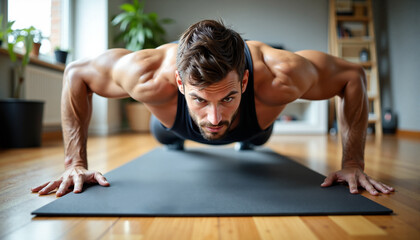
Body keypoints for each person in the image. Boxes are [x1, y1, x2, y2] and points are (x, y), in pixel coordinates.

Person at [32, 20, 394, 197]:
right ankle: (180, 131)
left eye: (229, 98)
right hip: (173, 127)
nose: (215, 117)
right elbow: (76, 73)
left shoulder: (282, 74)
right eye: (200, 100)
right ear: (178, 83)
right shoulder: (146, 75)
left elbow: (352, 75)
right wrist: (74, 163)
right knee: (166, 134)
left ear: (247, 82)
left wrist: (353, 164)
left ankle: (245, 133)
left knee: (256, 138)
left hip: (254, 129)